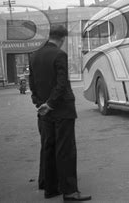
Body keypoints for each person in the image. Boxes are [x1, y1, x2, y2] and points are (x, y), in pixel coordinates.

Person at [29, 25, 91, 201]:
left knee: (49, 147)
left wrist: (40, 104)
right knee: (66, 150)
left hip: (44, 112)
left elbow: (32, 84)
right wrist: (51, 103)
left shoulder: (34, 55)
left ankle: (51, 188)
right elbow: (61, 84)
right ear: (62, 39)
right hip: (62, 110)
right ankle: (70, 191)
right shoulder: (59, 55)